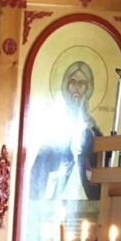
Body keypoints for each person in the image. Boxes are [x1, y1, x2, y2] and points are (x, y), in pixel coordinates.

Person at [28, 61, 102, 206]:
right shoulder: (54, 123)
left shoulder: (91, 126)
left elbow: (99, 158)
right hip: (56, 185)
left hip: (84, 188)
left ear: (87, 90)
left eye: (81, 84)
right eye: (73, 83)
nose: (77, 89)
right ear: (66, 87)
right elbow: (42, 162)